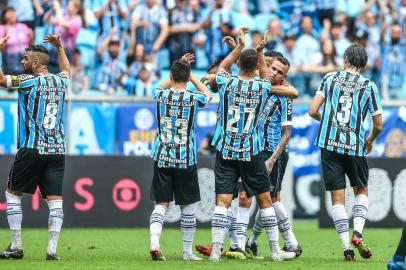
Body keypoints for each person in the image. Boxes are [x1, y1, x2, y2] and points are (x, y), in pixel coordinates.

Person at [207, 27, 298, 262]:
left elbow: (222, 68)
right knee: (266, 199)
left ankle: (216, 250)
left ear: (238, 65)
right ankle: (276, 251)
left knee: (223, 201)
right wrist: (260, 50)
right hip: (251, 150)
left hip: (226, 150)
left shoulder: (226, 82)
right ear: (256, 67)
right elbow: (267, 76)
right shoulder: (262, 87)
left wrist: (238, 47)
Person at [308, 44, 383, 261]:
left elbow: (312, 111)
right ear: (364, 64)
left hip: (329, 145)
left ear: (346, 60)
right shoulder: (369, 86)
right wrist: (370, 141)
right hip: (355, 146)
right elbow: (378, 125)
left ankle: (346, 250)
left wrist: (328, 122)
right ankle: (357, 234)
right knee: (361, 191)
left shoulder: (329, 78)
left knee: (337, 199)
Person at [0, 34, 70, 260]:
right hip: (57, 150)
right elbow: (67, 69)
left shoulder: (28, 82)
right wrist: (60, 48)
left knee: (12, 194)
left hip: (31, 148)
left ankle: (17, 246)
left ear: (36, 63)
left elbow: (1, 80)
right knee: (55, 200)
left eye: (26, 58)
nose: (22, 61)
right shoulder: (60, 81)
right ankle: (52, 250)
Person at [149, 53, 213, 261]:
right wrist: (192, 76)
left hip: (163, 157)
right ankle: (186, 252)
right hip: (185, 159)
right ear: (187, 78)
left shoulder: (160, 94)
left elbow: (162, 84)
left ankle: (154, 242)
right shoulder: (193, 98)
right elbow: (208, 95)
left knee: (161, 203)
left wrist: (178, 69)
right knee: (188, 206)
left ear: (170, 75)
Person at [244, 55, 302, 259]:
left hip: (272, 152)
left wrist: (273, 158)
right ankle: (249, 242)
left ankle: (291, 242)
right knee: (262, 198)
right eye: (272, 68)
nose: (274, 73)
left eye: (279, 72)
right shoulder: (259, 87)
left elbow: (287, 132)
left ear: (284, 77)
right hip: (253, 150)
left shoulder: (285, 97)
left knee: (271, 198)